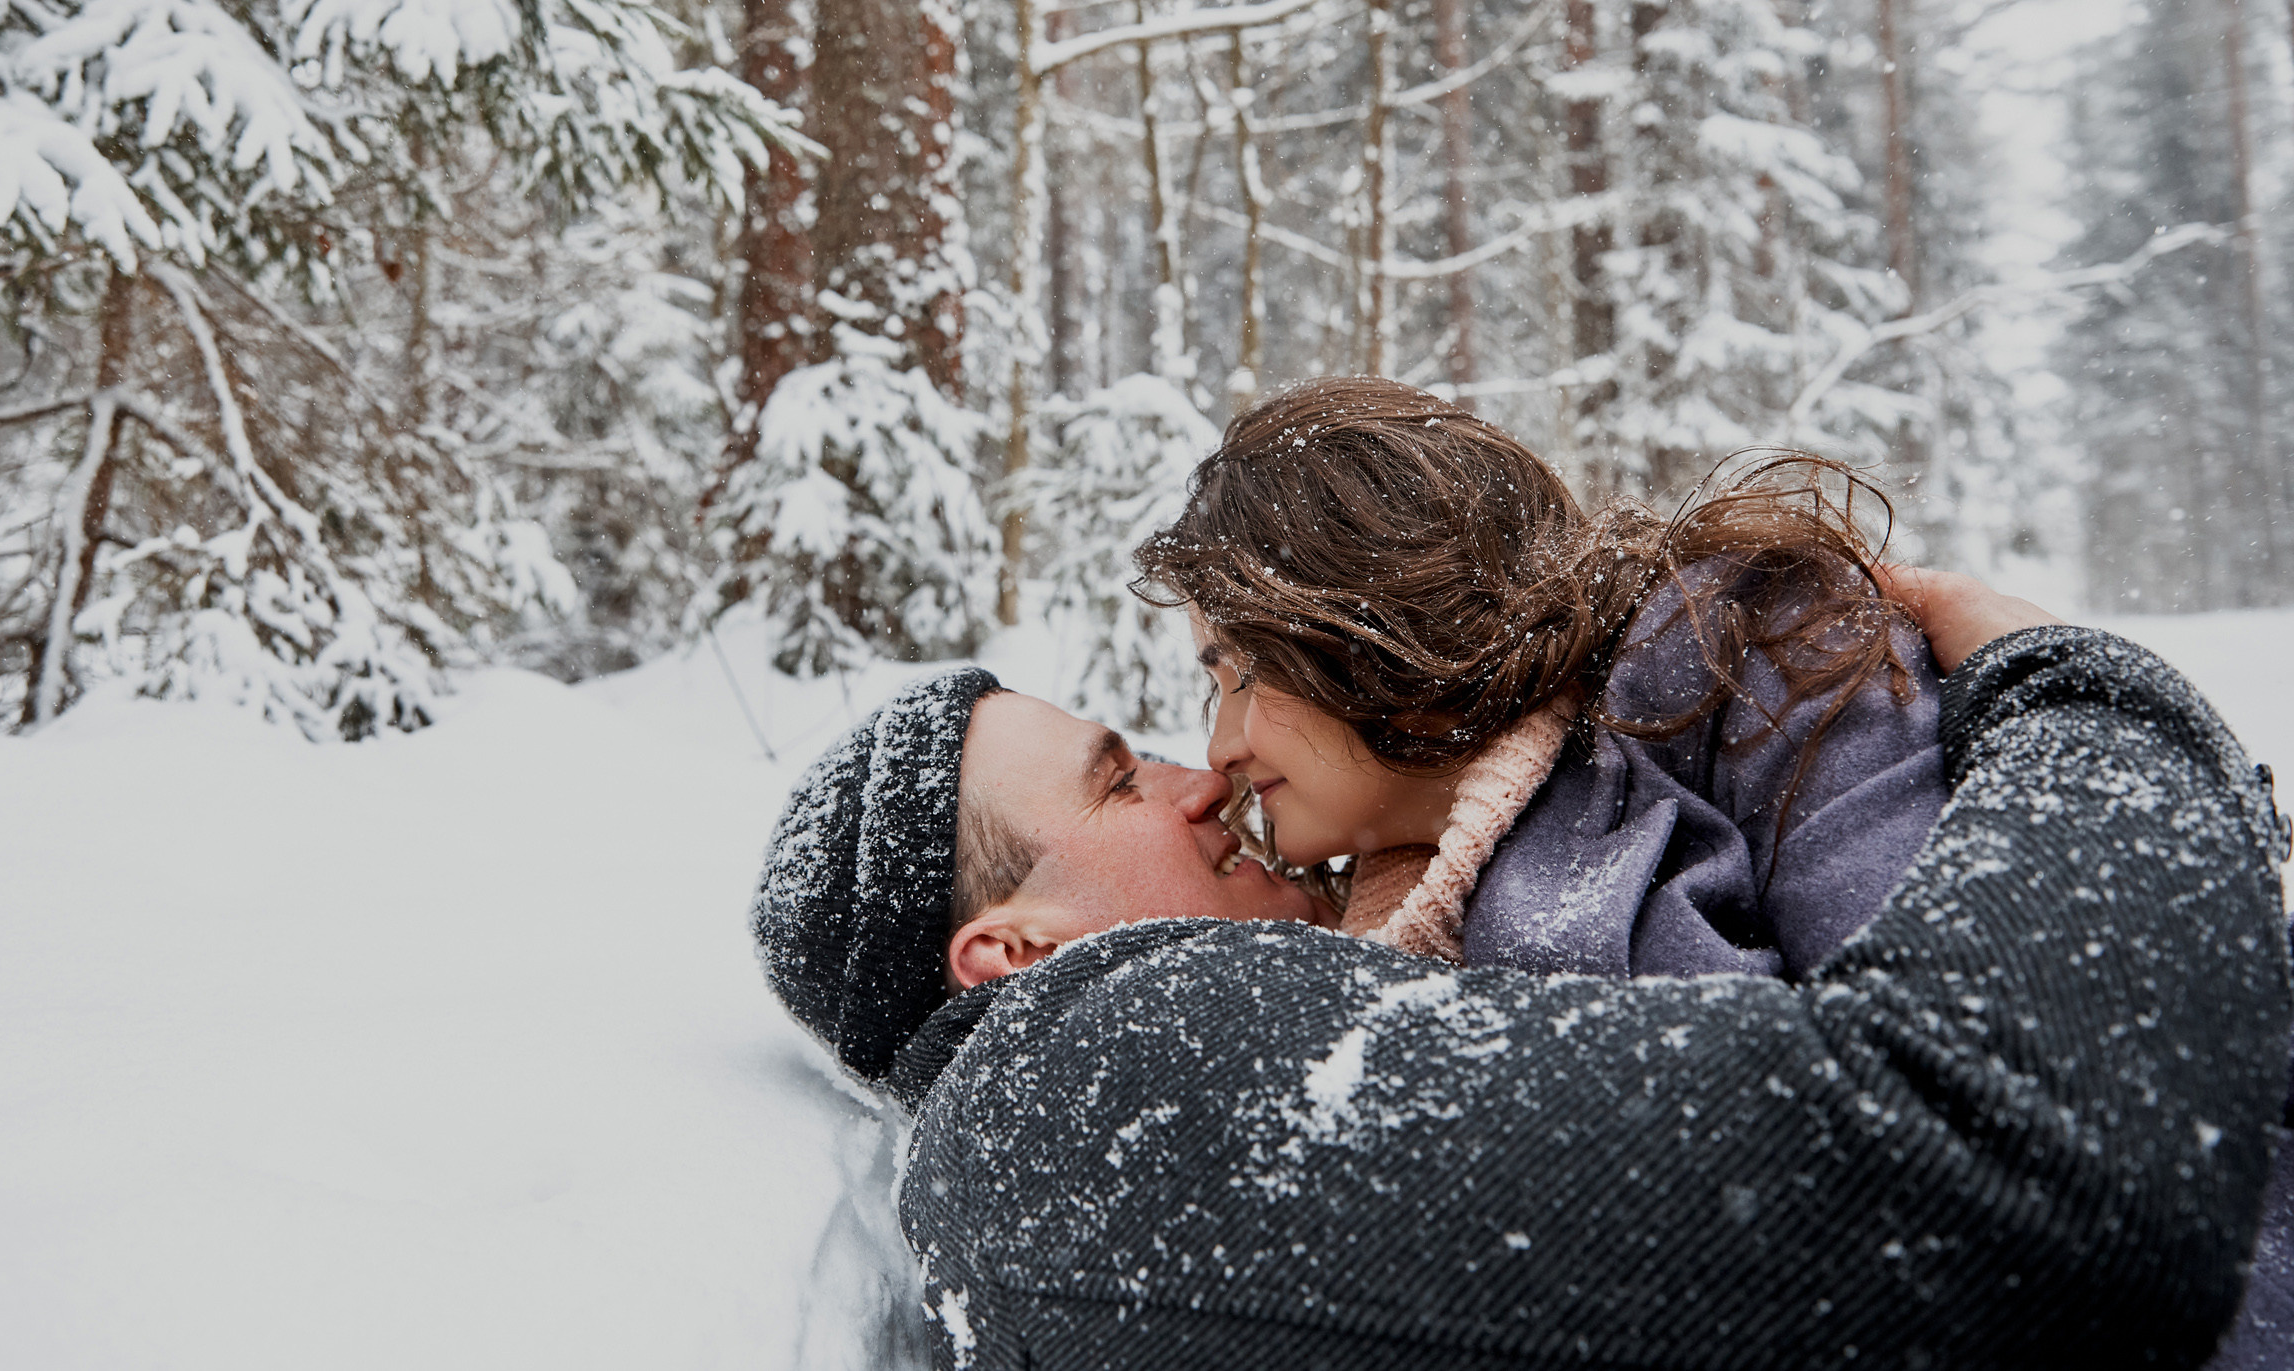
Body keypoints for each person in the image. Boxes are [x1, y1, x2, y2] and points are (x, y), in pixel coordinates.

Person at [751, 575, 2291, 1367]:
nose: (1196, 776)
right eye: (1114, 781)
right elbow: (2017, 1175)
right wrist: (2083, 697)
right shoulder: (1075, 1086)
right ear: (1007, 949)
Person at [1140, 377, 1948, 978]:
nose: (1220, 752)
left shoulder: (1740, 654)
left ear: (1374, 628)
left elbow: (1969, 1032)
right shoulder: (1391, 927)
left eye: (1246, 675)